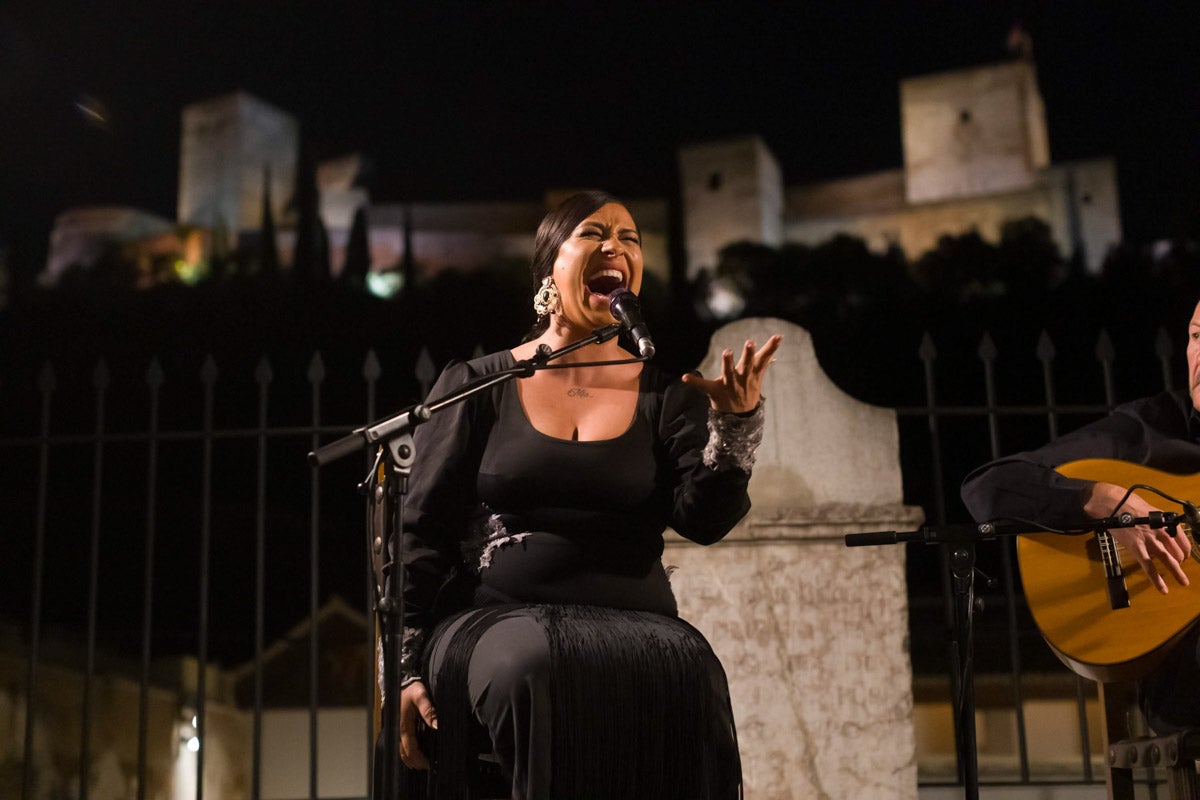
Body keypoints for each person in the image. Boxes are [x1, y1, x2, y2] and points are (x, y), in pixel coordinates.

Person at [393, 190, 782, 799]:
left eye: (631, 238)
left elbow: (704, 521)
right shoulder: (477, 386)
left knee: (692, 667)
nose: (616, 247)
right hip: (495, 619)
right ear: (551, 266)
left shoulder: (663, 394)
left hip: (636, 620)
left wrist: (735, 426)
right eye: (594, 233)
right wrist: (401, 667)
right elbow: (419, 534)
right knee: (531, 666)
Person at [960, 297, 1200, 735]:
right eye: (1197, 336)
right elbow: (988, 486)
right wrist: (1100, 500)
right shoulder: (1150, 428)